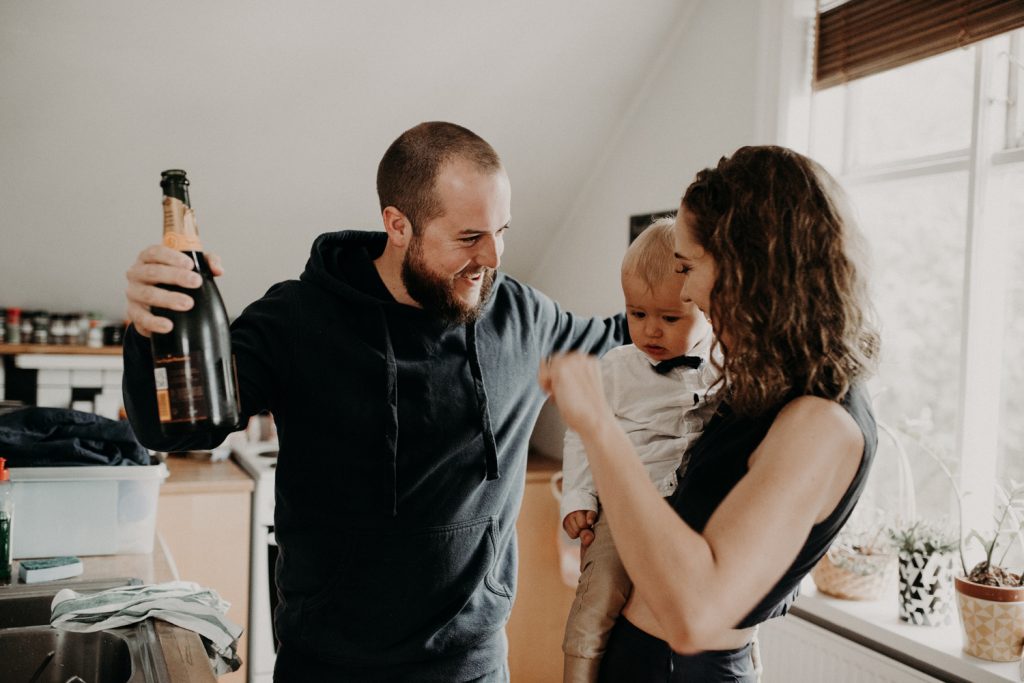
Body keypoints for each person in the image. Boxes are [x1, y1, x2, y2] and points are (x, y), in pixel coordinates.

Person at [121, 121, 628, 682]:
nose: (492, 256)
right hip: (329, 668)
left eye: (501, 230)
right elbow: (172, 429)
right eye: (468, 238)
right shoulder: (298, 319)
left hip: (474, 667)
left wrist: (704, 295)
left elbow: (631, 342)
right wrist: (149, 332)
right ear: (397, 225)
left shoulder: (522, 317)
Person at [539, 145, 880, 682]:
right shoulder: (766, 383)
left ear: (748, 265)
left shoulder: (820, 421)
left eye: (689, 266)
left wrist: (599, 426)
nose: (691, 290)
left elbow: (695, 616)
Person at [559, 217, 719, 682]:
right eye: (636, 314)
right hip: (625, 508)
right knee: (598, 595)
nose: (650, 331)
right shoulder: (615, 368)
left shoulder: (722, 365)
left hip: (687, 515)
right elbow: (582, 434)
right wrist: (578, 498)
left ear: (704, 308)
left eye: (670, 318)